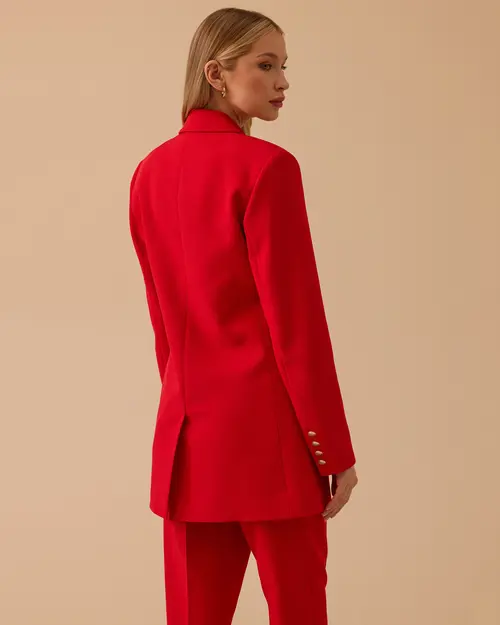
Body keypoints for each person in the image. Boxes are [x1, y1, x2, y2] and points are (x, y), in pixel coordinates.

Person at [129, 7, 358, 625]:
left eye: (283, 66)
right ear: (215, 73)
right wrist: (331, 449)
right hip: (271, 448)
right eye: (265, 65)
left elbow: (163, 329)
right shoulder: (268, 167)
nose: (282, 81)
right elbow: (297, 325)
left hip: (187, 448)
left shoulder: (148, 173)